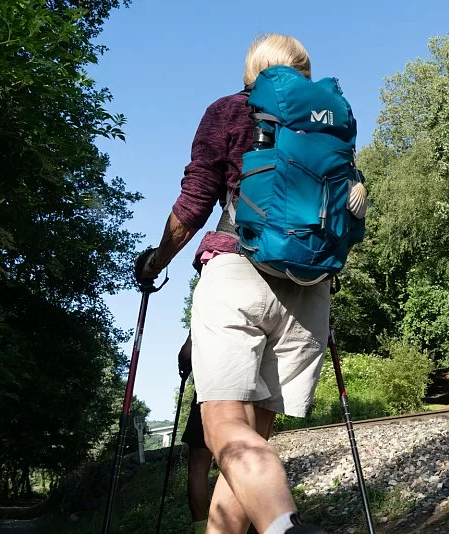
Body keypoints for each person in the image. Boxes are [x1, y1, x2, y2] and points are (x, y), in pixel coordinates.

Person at [137, 34, 328, 534]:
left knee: (224, 431)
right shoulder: (327, 123)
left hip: (239, 273)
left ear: (250, 72)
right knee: (248, 446)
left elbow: (197, 196)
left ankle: (285, 528)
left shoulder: (228, 111)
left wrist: (158, 260)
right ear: (302, 73)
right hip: (308, 291)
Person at [177, 333, 215, 534]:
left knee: (198, 470)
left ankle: (202, 530)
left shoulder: (206, 303)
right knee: (239, 463)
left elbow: (187, 355)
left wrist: (184, 362)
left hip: (210, 392)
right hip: (251, 388)